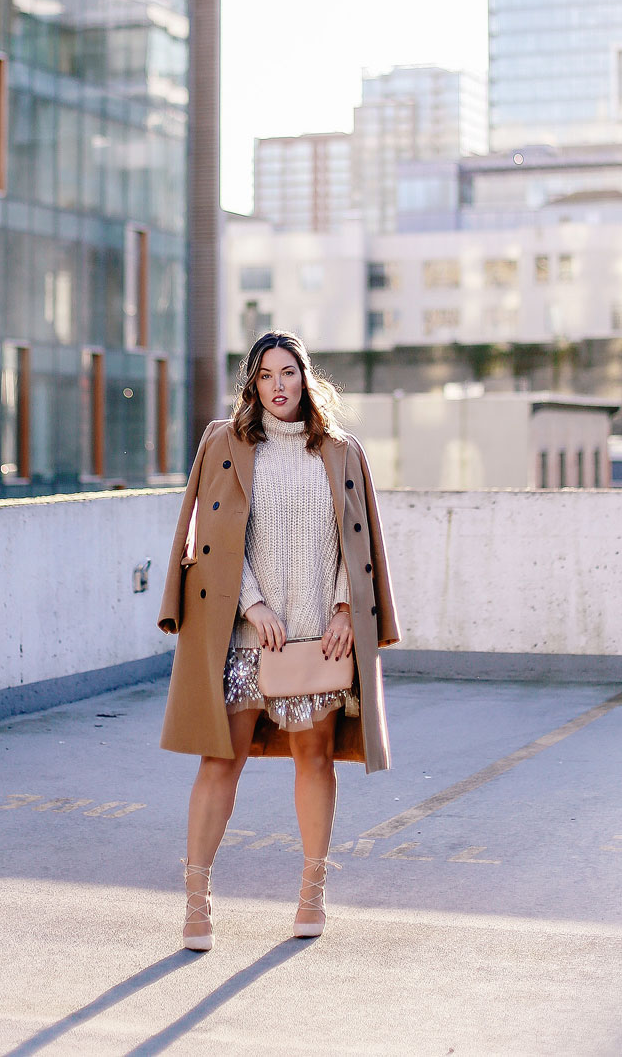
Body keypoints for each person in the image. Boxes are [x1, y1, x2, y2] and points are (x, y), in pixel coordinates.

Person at [157, 330, 401, 950]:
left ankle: (313, 892)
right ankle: (196, 902)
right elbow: (206, 541)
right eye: (265, 375)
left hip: (318, 634)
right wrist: (253, 602)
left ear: (305, 378)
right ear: (252, 385)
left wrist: (348, 607)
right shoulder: (226, 443)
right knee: (222, 759)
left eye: (287, 372)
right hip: (244, 635)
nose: (277, 385)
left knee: (314, 758)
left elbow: (360, 539)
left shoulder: (341, 451)